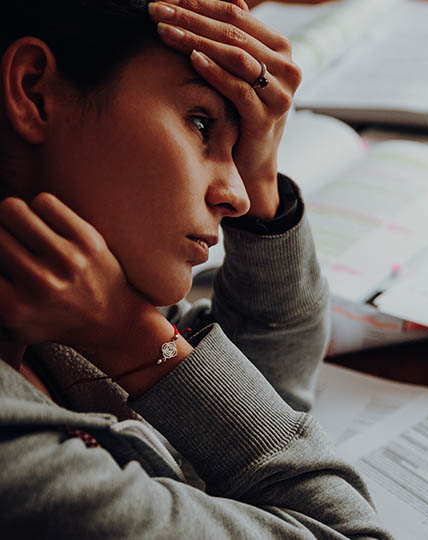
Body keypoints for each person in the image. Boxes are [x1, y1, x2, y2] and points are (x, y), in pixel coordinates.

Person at [0, 0, 392, 537]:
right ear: (34, 89)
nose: (237, 197)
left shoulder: (58, 283)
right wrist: (134, 339)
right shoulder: (21, 465)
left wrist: (265, 191)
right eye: (201, 123)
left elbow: (254, 411)